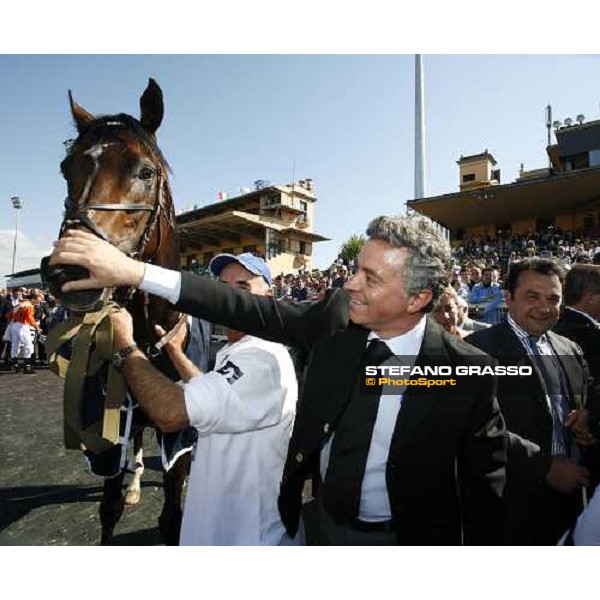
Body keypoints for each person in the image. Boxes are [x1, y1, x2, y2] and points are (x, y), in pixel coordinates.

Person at [51, 215, 507, 546]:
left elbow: (488, 477)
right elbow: (242, 307)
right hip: (320, 530)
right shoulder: (334, 319)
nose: (350, 284)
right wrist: (135, 273)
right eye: (355, 269)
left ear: (418, 298)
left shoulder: (465, 371)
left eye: (370, 277)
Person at [108, 252, 300, 545]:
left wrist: (125, 345)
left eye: (243, 287)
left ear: (269, 296)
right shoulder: (238, 349)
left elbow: (171, 413)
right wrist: (176, 352)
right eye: (222, 287)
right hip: (225, 526)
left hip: (249, 536)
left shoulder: (261, 358)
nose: (229, 298)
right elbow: (216, 397)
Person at [467, 258, 591, 545]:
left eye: (553, 299)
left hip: (568, 500)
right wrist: (545, 468)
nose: (544, 307)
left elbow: (586, 398)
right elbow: (474, 426)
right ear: (508, 298)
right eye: (532, 297)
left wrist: (586, 420)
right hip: (506, 504)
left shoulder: (569, 348)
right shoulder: (475, 350)